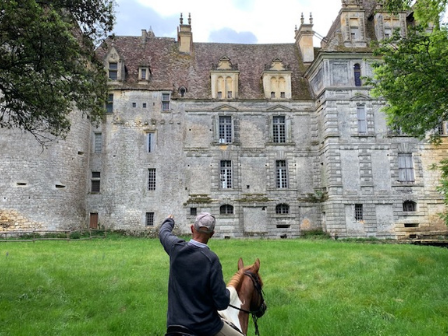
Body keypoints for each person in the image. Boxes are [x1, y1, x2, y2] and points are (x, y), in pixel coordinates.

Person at [159, 212, 244, 336]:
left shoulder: (175, 248)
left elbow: (163, 233)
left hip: (175, 325)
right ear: (212, 234)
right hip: (205, 327)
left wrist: (169, 221)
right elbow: (221, 303)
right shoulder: (211, 260)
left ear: (192, 228)